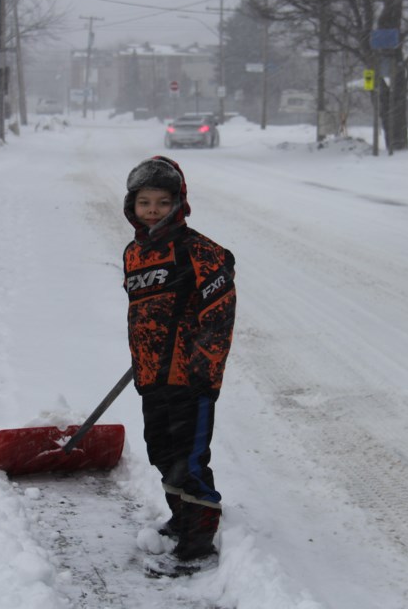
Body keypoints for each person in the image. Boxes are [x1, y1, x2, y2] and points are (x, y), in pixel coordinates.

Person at [121, 155, 236, 564]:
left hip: (190, 377)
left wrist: (205, 367)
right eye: (145, 202)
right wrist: (142, 356)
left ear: (179, 204)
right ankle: (181, 516)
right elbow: (142, 312)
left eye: (163, 202)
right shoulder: (134, 253)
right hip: (152, 376)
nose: (153, 210)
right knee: (161, 451)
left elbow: (219, 316)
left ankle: (200, 537)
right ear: (132, 206)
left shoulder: (200, 251)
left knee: (189, 458)